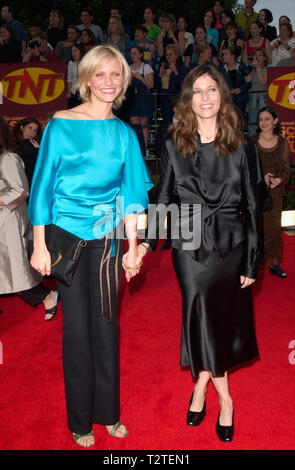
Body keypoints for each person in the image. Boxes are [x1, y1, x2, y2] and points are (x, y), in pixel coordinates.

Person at [27, 45, 153, 448]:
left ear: (124, 81)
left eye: (115, 75)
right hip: (65, 239)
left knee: (106, 327)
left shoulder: (124, 133)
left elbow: (133, 198)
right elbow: (42, 189)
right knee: (76, 331)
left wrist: (134, 249)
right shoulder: (60, 124)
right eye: (100, 74)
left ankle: (108, 414)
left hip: (107, 244)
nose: (108, 82)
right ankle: (80, 420)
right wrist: (38, 244)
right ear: (86, 79)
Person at [138, 64, 261, 443]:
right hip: (187, 243)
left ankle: (200, 386)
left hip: (231, 244)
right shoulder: (173, 143)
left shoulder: (243, 145)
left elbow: (255, 207)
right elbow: (163, 197)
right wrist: (146, 242)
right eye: (197, 91)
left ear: (222, 96)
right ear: (188, 99)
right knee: (200, 314)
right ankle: (227, 401)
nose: (205, 98)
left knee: (218, 321)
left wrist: (253, 260)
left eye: (212, 90)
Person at [0, 115, 58, 321]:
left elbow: (20, 190)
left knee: (16, 272)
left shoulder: (8, 158)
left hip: (8, 223)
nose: (32, 132)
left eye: (35, 129)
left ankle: (46, 295)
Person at [252, 107, 291, 278]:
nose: (263, 123)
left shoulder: (282, 143)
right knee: (254, 228)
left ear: (275, 121)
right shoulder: (251, 141)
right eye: (260, 119)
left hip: (274, 194)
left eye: (267, 119)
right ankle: (252, 263)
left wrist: (279, 180)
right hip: (255, 192)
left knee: (274, 229)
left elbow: (286, 169)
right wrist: (262, 177)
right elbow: (246, 168)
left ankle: (274, 263)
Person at [129, 45, 154, 150]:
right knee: (134, 127)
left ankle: (144, 149)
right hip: (132, 99)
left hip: (143, 99)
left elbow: (151, 85)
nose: (132, 55)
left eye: (135, 53)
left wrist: (140, 78)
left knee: (144, 126)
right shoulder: (128, 68)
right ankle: (136, 149)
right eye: (131, 53)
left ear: (141, 54)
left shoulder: (146, 67)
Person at [10, 117, 43, 190]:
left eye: (35, 130)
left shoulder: (32, 146)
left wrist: (38, 150)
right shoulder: (9, 143)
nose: (32, 133)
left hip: (26, 188)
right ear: (21, 127)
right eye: (30, 128)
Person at [219, 45, 250, 119]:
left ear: (232, 56)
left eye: (226, 54)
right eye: (223, 54)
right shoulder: (221, 69)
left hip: (241, 99)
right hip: (227, 99)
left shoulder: (242, 66)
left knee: (239, 119)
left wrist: (240, 89)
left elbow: (248, 82)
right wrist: (227, 91)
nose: (223, 56)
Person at [246, 48, 268, 136]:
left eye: (260, 56)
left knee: (265, 121)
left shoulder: (268, 68)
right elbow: (248, 80)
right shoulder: (252, 69)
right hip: (253, 98)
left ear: (264, 58)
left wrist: (258, 69)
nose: (258, 58)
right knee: (253, 122)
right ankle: (253, 144)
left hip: (264, 98)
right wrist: (250, 67)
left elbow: (263, 82)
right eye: (256, 56)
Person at [67, 43, 87, 108]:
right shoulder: (71, 63)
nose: (73, 53)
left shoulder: (86, 64)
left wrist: (82, 93)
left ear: (81, 51)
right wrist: (68, 92)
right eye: (72, 51)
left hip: (84, 92)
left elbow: (86, 80)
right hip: (73, 91)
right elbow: (69, 79)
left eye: (75, 50)